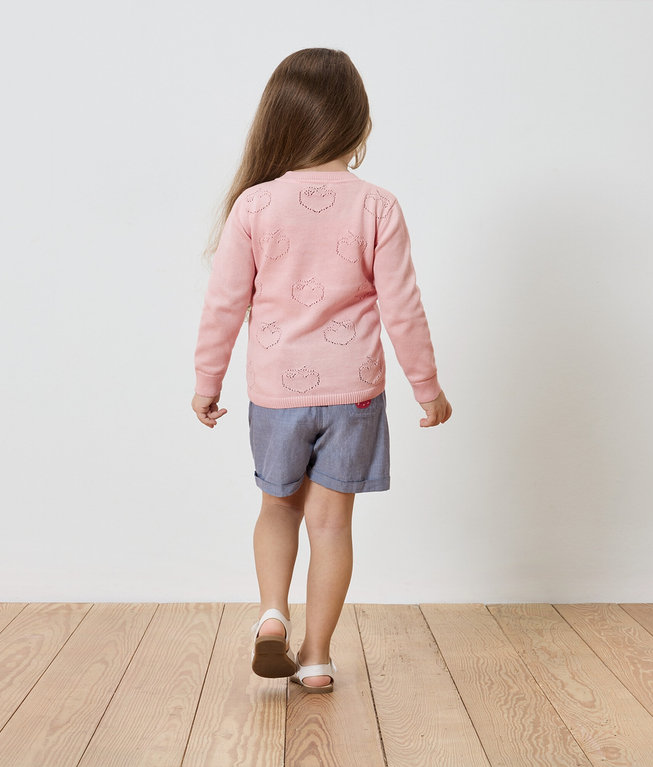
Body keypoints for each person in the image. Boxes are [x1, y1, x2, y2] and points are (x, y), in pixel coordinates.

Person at [192, 48, 451, 693]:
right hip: (353, 395)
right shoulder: (377, 207)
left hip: (275, 393)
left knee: (276, 509)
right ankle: (314, 659)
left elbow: (224, 305)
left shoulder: (254, 206)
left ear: (278, 120)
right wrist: (427, 388)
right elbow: (403, 309)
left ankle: (271, 614)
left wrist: (206, 384)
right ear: (358, 122)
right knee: (331, 525)